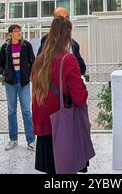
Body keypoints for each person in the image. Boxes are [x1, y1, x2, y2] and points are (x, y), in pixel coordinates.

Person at [32, 16, 88, 174]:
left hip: (44, 124)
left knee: (51, 170)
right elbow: (80, 97)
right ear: (67, 36)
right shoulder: (67, 59)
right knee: (66, 169)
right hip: (62, 124)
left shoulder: (39, 61)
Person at [0, 24, 35, 151]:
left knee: (26, 111)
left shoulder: (26, 45)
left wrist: (29, 74)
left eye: (20, 31)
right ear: (10, 34)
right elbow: (0, 64)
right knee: (11, 112)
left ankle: (31, 141)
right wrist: (4, 73)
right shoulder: (5, 47)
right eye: (16, 31)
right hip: (10, 84)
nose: (19, 33)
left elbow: (33, 62)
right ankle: (13, 140)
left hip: (24, 83)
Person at [37, 7, 86, 76]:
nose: (65, 21)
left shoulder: (74, 44)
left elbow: (82, 69)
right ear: (54, 21)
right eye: (61, 18)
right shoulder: (46, 41)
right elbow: (39, 66)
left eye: (67, 18)